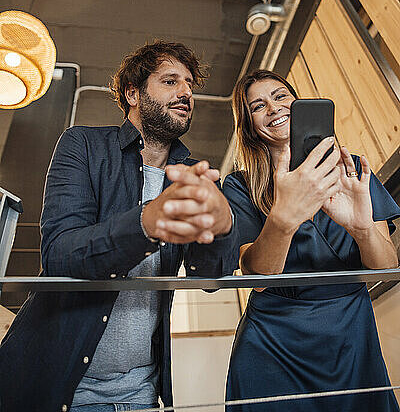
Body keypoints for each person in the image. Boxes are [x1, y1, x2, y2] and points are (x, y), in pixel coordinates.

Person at [0, 41, 239, 412]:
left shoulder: (195, 178)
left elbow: (209, 279)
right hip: (59, 388)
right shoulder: (82, 145)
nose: (186, 93)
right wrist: (146, 223)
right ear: (133, 93)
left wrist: (224, 228)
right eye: (171, 81)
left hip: (141, 393)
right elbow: (60, 255)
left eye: (190, 84)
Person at [223, 69, 399, 412]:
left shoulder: (353, 171)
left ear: (300, 103)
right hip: (274, 341)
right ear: (248, 126)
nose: (273, 108)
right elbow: (258, 279)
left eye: (280, 96)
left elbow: (386, 267)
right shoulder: (239, 187)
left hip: (350, 335)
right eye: (257, 106)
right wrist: (283, 217)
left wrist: (362, 229)